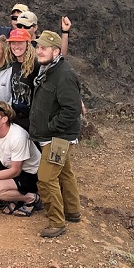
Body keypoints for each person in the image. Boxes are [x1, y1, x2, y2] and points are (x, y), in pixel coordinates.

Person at [29, 30, 83, 238]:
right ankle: (72, 211)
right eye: (38, 47)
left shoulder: (64, 74)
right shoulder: (48, 70)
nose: (39, 51)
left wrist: (51, 127)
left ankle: (56, 222)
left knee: (45, 178)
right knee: (65, 173)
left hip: (58, 137)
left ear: (56, 51)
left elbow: (72, 110)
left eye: (44, 48)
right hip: (54, 135)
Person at [0, 100, 42, 216]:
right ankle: (13, 196)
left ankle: (31, 198)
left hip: (29, 173)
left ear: (4, 119)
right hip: (8, 165)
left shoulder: (18, 137)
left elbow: (15, 171)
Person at [6, 27, 36, 128]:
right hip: (16, 118)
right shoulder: (13, 64)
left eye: (20, 43)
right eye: (13, 43)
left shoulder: (36, 65)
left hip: (32, 120)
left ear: (28, 44)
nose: (16, 46)